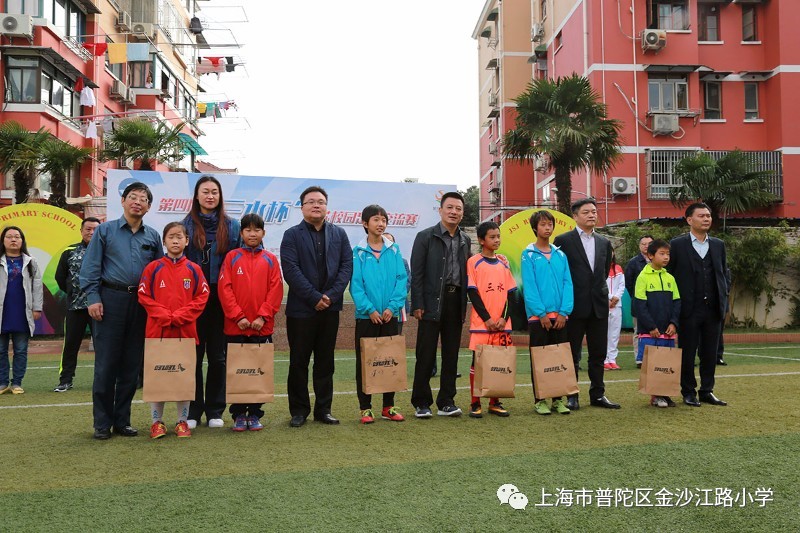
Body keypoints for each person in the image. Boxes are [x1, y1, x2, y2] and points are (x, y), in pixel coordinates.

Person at [81, 182, 164, 440]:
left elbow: (160, 274)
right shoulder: (105, 231)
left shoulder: (152, 236)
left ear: (149, 207)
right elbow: (91, 267)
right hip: (109, 300)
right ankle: (102, 424)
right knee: (106, 365)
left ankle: (122, 421)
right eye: (133, 197)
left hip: (140, 305)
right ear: (123, 201)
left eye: (143, 199)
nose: (137, 201)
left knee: (131, 366)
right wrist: (93, 298)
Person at [281, 186, 352, 427]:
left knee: (325, 361)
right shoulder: (291, 235)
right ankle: (299, 411)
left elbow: (346, 268)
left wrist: (330, 296)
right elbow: (291, 270)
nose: (316, 205)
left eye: (320, 201)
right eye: (311, 201)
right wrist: (313, 297)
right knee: (298, 362)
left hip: (330, 309)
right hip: (301, 310)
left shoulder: (340, 234)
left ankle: (324, 409)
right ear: (302, 207)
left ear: (327, 207)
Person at [137, 222, 210, 438]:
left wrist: (180, 316)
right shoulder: (153, 268)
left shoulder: (194, 269)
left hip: (184, 333)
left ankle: (182, 422)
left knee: (183, 378)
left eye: (180, 236)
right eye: (171, 237)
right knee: (157, 378)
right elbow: (143, 296)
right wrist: (163, 315)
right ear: (164, 241)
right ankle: (156, 422)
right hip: (157, 332)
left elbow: (202, 297)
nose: (176, 240)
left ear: (187, 241)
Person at [182, 175, 241, 429]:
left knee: (218, 357)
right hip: (193, 299)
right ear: (196, 196)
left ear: (220, 196)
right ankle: (193, 410)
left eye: (214, 192)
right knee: (193, 356)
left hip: (221, 298)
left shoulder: (233, 226)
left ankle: (216, 410)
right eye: (205, 191)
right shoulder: (184, 225)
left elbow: (240, 263)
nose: (210, 196)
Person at [553, 198, 620, 410]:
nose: (591, 215)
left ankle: (598, 394)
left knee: (598, 353)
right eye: (586, 212)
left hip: (599, 305)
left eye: (593, 211)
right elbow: (559, 274)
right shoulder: (563, 240)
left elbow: (601, 274)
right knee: (572, 354)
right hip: (573, 306)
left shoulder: (604, 242)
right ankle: (571, 394)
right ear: (575, 216)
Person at [219, 213, 284, 431]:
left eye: (257, 230)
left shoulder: (270, 259)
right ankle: (238, 414)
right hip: (236, 326)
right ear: (241, 233)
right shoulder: (232, 257)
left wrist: (262, 316)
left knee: (258, 370)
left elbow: (276, 290)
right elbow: (225, 289)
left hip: (261, 327)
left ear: (263, 233)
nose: (252, 233)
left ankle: (255, 413)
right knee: (237, 371)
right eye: (248, 230)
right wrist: (239, 317)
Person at [410, 192, 471, 418]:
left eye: (458, 209)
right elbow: (416, 274)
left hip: (456, 302)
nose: (454, 212)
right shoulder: (425, 237)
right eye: (450, 208)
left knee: (451, 354)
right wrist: (417, 303)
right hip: (431, 301)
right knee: (425, 354)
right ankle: (421, 402)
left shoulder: (465, 240)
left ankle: (446, 401)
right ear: (441, 210)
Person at [349, 205, 408, 424]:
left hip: (388, 316)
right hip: (367, 317)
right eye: (376, 219)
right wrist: (370, 310)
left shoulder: (394, 250)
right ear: (365, 224)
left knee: (390, 359)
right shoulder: (358, 252)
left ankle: (388, 406)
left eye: (384, 219)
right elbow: (355, 285)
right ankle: (365, 408)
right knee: (365, 361)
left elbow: (402, 280)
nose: (381, 223)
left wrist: (391, 308)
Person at [667, 203, 729, 407]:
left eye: (709, 216)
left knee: (710, 352)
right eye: (701, 215)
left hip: (712, 308)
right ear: (689, 220)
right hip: (688, 309)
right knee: (687, 351)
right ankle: (688, 391)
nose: (706, 219)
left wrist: (723, 300)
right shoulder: (676, 245)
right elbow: (670, 275)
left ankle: (707, 390)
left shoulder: (718, 245)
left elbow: (723, 274)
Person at [521, 210, 574, 416]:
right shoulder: (528, 255)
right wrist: (541, 314)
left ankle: (558, 399)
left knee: (559, 358)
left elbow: (567, 283)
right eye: (543, 224)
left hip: (560, 317)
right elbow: (530, 287)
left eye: (550, 224)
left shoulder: (561, 254)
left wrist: (563, 312)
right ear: (535, 228)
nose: (547, 228)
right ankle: (540, 400)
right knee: (540, 359)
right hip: (538, 318)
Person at [466, 221, 516, 418]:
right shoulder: (474, 261)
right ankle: (474, 402)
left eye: (498, 236)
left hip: (502, 325)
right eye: (492, 237)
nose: (496, 240)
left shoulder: (504, 262)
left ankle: (495, 402)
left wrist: (503, 319)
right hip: (481, 325)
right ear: (481, 240)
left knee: (499, 363)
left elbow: (511, 293)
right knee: (477, 363)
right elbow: (473, 292)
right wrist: (487, 319)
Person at [53, 217, 101, 392]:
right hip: (75, 307)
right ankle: (65, 380)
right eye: (88, 229)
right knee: (71, 345)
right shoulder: (69, 251)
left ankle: (103, 380)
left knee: (103, 346)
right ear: (81, 231)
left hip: (99, 308)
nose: (91, 232)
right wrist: (73, 293)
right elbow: (60, 277)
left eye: (95, 229)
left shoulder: (107, 251)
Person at [634, 239, 681, 408]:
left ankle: (666, 394)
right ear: (650, 255)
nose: (666, 257)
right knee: (653, 364)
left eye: (668, 254)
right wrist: (651, 326)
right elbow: (640, 305)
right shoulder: (642, 277)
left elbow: (677, 302)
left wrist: (674, 323)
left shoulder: (670, 277)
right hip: (650, 331)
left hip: (667, 331)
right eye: (662, 254)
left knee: (667, 363)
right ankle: (655, 396)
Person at [0, 227, 43, 395]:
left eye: (17, 237)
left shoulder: (30, 262)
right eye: (9, 237)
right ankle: (3, 383)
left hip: (22, 312)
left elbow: (37, 287)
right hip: (2, 313)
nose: (13, 240)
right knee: (1, 350)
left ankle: (17, 382)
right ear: (3, 241)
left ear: (22, 241)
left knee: (20, 350)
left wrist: (37, 308)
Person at [625, 235, 653, 368]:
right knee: (638, 331)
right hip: (639, 304)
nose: (646, 246)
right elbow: (629, 283)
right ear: (639, 246)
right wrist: (637, 298)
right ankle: (639, 359)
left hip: (657, 304)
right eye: (644, 243)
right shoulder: (633, 262)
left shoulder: (659, 260)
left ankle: (655, 357)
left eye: (649, 243)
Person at [383, 232, 410, 335]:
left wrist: (394, 299)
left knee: (395, 338)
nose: (388, 243)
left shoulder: (402, 262)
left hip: (397, 306)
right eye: (385, 240)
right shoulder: (373, 260)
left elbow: (406, 283)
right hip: (379, 306)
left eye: (390, 241)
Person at [605, 251, 625, 370]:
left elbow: (622, 285)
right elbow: (600, 284)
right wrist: (609, 297)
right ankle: (604, 359)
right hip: (604, 304)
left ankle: (612, 359)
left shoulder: (618, 268)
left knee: (614, 334)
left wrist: (616, 298)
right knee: (604, 334)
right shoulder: (600, 267)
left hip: (617, 305)